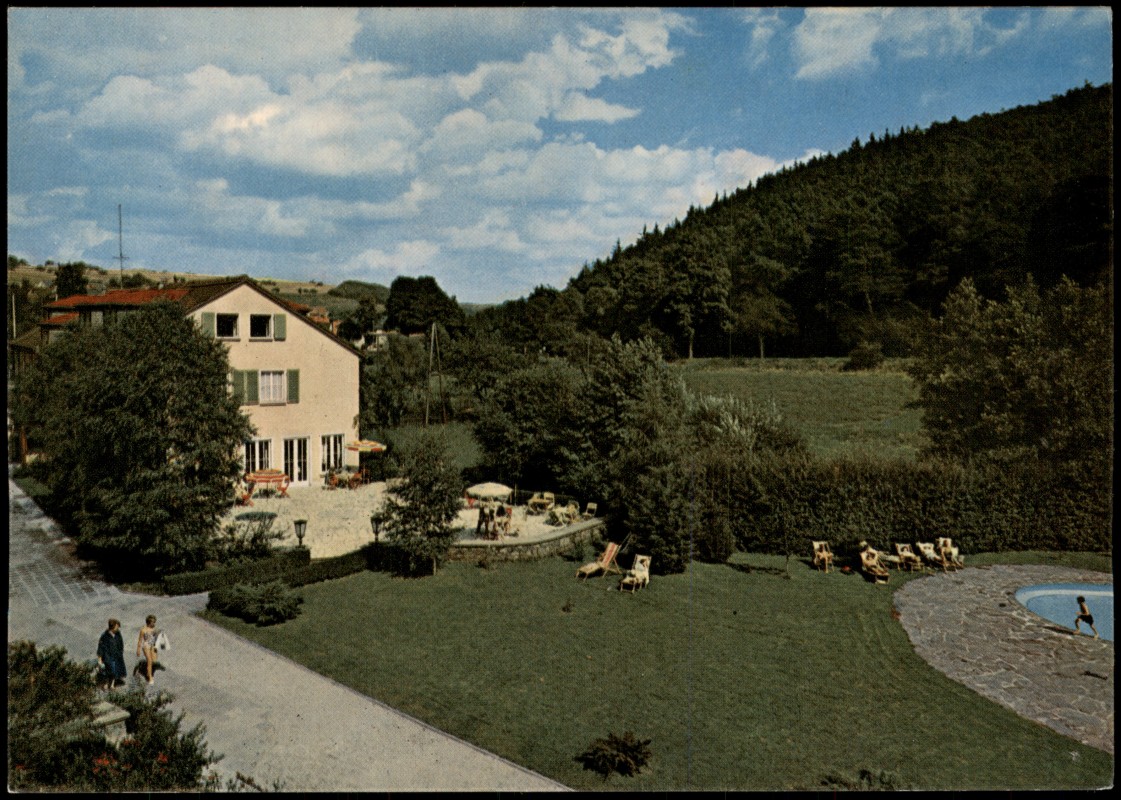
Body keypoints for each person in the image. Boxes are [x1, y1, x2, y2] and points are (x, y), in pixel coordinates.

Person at [97, 619, 127, 690]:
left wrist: (120, 652)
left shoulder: (118, 634)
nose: (118, 628)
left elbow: (121, 643)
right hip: (107, 656)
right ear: (112, 627)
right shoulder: (104, 636)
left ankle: (112, 685)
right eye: (117, 627)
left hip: (116, 655)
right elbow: (100, 647)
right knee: (109, 670)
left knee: (115, 670)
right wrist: (100, 659)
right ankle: (106, 683)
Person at [136, 614, 160, 685]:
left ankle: (147, 671)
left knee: (154, 661)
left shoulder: (154, 629)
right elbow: (140, 640)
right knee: (149, 660)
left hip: (153, 646)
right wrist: (138, 649)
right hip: (146, 646)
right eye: (153, 622)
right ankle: (150, 677)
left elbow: (156, 638)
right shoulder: (143, 630)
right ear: (149, 622)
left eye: (155, 622)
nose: (154, 623)